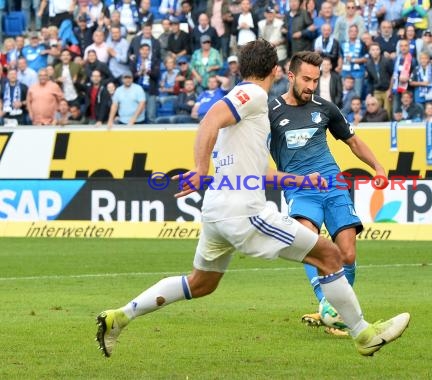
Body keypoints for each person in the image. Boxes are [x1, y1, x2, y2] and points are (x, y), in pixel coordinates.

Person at [96, 39, 410, 358]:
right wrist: (201, 167)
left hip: (217, 212)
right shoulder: (255, 94)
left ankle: (119, 316)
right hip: (244, 211)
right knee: (329, 255)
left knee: (201, 284)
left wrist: (301, 179)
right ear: (276, 71)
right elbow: (210, 118)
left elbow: (260, 172)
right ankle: (363, 334)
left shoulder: (248, 120)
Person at [268, 50, 393, 336]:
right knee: (308, 242)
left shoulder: (325, 107)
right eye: (306, 79)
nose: (311, 86)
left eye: (316, 79)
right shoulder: (271, 111)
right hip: (301, 187)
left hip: (333, 185)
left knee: (347, 254)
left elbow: (353, 142)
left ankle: (334, 312)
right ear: (291, 76)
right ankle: (328, 306)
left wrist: (378, 166)